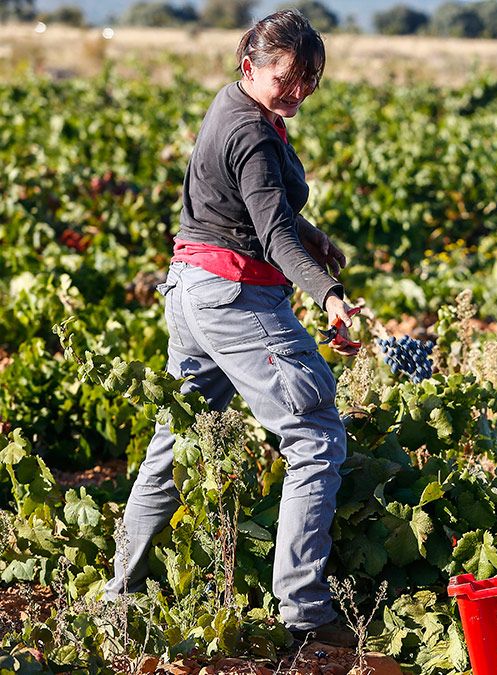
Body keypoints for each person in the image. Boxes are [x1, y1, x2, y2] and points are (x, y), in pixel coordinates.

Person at [103, 9, 358, 648]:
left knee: (173, 443)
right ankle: (304, 614)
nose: (299, 91)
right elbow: (269, 232)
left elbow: (253, 206)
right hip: (234, 299)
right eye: (289, 78)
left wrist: (311, 236)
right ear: (252, 65)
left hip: (192, 290)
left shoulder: (233, 107)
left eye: (310, 81)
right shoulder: (252, 133)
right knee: (315, 435)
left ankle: (115, 601)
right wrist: (328, 296)